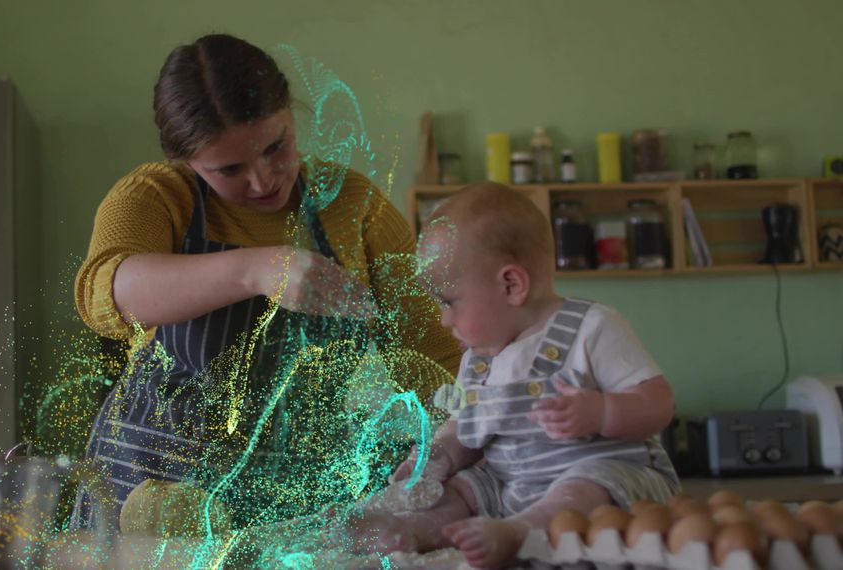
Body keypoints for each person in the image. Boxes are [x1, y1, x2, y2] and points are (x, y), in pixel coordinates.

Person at [71, 34, 461, 529]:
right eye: (229, 169)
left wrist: (466, 450)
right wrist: (259, 270)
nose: (263, 180)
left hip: (299, 503)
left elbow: (434, 352)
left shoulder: (352, 206)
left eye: (276, 147)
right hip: (155, 493)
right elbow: (105, 294)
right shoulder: (158, 196)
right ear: (185, 160)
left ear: (290, 115)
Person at [354, 183, 679, 568]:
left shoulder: (591, 327)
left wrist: (602, 412)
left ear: (512, 285)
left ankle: (518, 533)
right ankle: (416, 531)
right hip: (515, 486)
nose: (444, 320)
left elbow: (659, 402)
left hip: (609, 480)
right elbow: (466, 431)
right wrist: (439, 458)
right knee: (464, 488)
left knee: (583, 486)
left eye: (449, 302)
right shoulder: (477, 361)